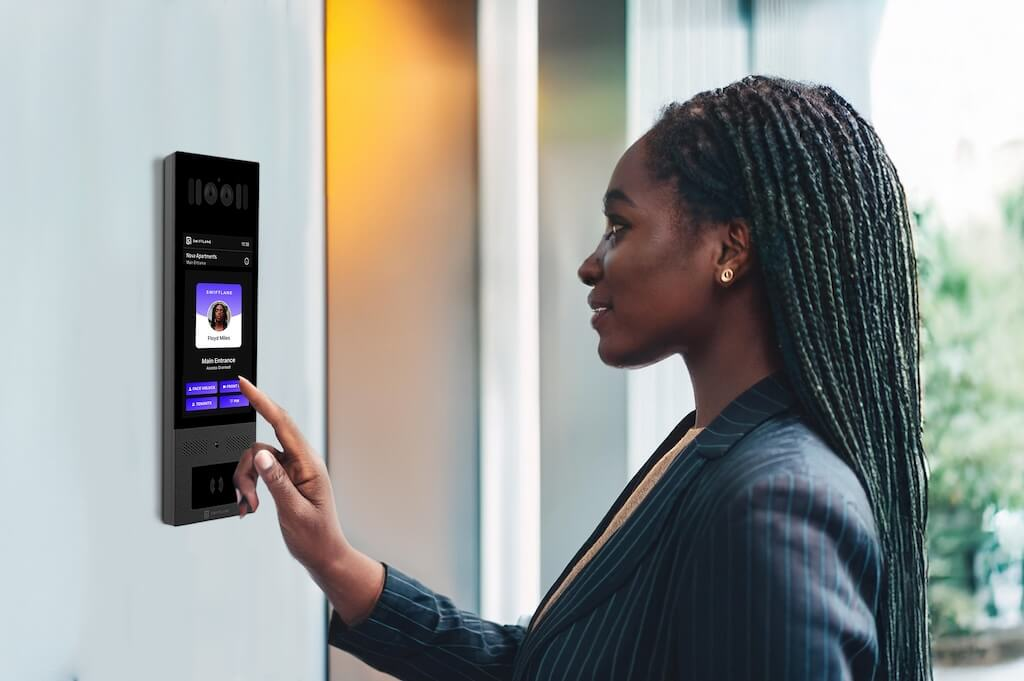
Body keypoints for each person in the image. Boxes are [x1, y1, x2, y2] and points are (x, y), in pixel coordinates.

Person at [233, 76, 930, 680]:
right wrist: (335, 559)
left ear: (730, 248)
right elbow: (536, 666)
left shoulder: (774, 501)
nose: (590, 263)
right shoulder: (708, 450)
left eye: (619, 227)